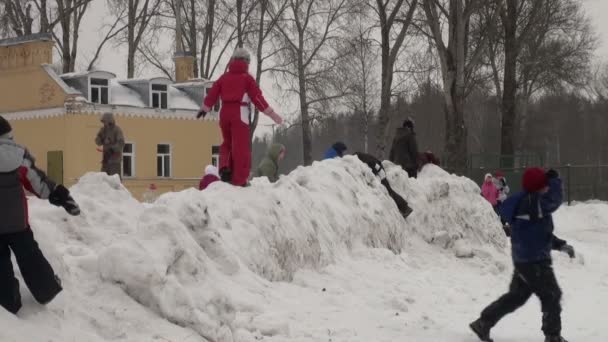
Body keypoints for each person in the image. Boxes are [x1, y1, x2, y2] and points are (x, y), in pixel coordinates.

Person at [469, 168, 575, 342]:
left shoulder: (530, 204)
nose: (547, 188)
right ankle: (553, 336)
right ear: (536, 187)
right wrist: (555, 180)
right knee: (551, 295)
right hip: (534, 262)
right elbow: (554, 201)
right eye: (544, 185)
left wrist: (559, 244)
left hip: (525, 260)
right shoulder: (532, 202)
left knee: (516, 297)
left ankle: (483, 322)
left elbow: (540, 232)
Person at [0, 116, 80, 314]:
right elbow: (38, 182)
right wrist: (58, 194)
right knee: (30, 255)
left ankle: (7, 302)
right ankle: (46, 290)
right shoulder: (19, 155)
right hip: (17, 222)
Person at [196, 47, 283, 186]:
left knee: (227, 143)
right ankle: (239, 180)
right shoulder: (247, 79)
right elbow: (257, 98)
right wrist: (272, 114)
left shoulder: (223, 77)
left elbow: (213, 93)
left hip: (224, 113)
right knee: (241, 148)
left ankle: (224, 168)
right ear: (246, 62)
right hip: (240, 113)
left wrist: (205, 108)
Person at [353, 152, 413, 219]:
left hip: (380, 172)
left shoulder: (360, 157)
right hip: (380, 170)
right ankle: (405, 207)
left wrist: (375, 175)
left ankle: (405, 208)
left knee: (389, 190)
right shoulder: (361, 156)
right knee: (389, 191)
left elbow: (373, 164)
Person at [95, 112, 125, 177]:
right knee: (103, 179)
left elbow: (121, 143)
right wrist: (102, 140)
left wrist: (112, 150)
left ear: (110, 121)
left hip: (115, 160)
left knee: (114, 181)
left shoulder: (117, 129)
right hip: (106, 159)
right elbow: (97, 141)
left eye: (105, 121)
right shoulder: (103, 130)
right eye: (103, 122)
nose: (104, 123)